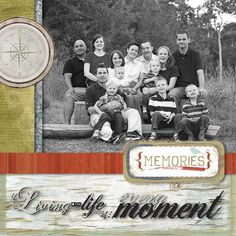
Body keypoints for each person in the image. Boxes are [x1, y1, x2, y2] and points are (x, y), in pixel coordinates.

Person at [85, 63, 142, 141]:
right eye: (100, 73)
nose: (102, 75)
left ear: (108, 74)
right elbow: (90, 110)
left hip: (116, 114)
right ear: (96, 75)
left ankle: (133, 133)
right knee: (105, 128)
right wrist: (106, 107)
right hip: (100, 115)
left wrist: (120, 105)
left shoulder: (114, 87)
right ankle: (111, 136)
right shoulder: (90, 89)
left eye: (104, 73)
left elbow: (122, 101)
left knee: (133, 112)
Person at [170, 30, 207, 109]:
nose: (181, 41)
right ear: (176, 41)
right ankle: (177, 118)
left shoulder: (195, 54)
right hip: (180, 88)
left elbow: (200, 72)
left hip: (194, 86)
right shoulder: (174, 56)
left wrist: (201, 87)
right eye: (179, 39)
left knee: (202, 94)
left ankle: (201, 118)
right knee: (172, 94)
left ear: (188, 40)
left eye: (184, 39)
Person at [92, 79, 126, 144]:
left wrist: (125, 108)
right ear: (106, 89)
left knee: (119, 116)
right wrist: (100, 112)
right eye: (110, 88)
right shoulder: (104, 98)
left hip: (116, 113)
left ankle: (117, 134)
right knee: (104, 116)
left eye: (114, 89)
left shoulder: (118, 97)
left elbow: (123, 103)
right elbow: (95, 106)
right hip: (108, 114)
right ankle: (97, 131)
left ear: (116, 90)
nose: (112, 90)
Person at [62, 39, 87, 124]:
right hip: (77, 90)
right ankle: (66, 125)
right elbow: (67, 77)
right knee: (69, 97)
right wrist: (70, 88)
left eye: (81, 45)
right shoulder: (70, 62)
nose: (79, 48)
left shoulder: (91, 60)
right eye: (76, 46)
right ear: (74, 49)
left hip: (91, 89)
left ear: (85, 47)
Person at [124, 42, 145, 116]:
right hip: (124, 86)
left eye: (136, 51)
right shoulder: (121, 62)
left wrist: (135, 88)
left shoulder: (140, 64)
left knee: (137, 97)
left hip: (136, 87)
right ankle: (131, 118)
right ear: (127, 50)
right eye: (132, 49)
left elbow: (141, 80)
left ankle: (139, 119)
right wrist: (127, 88)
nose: (134, 52)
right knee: (130, 97)